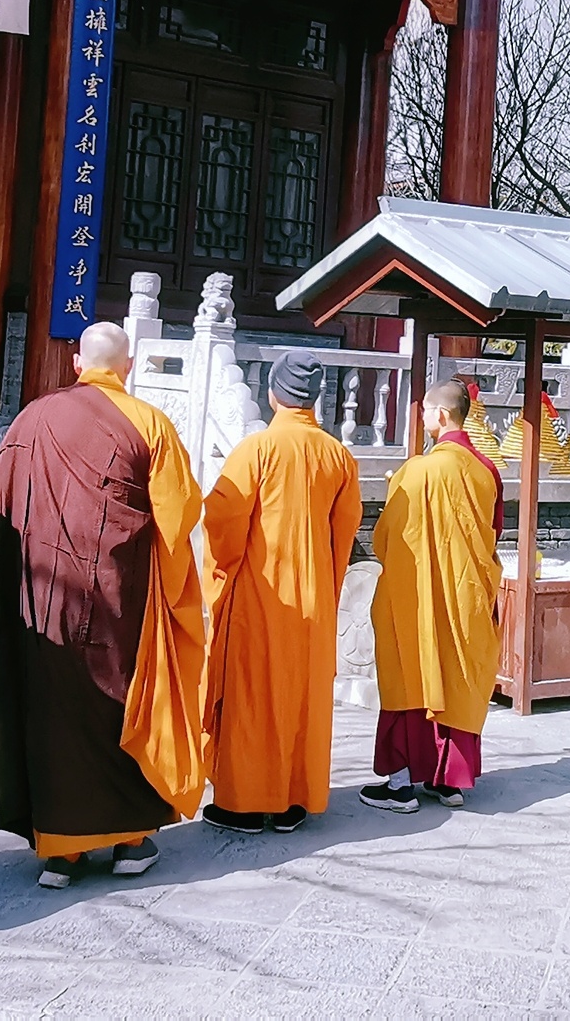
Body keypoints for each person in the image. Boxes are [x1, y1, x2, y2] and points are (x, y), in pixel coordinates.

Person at [0, 322, 207, 888]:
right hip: (118, 595)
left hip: (43, 595)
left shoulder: (32, 417)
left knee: (54, 703)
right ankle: (131, 840)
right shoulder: (148, 422)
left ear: (77, 363)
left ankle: (61, 851)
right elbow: (180, 514)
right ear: (127, 367)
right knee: (118, 697)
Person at [199, 349, 364, 834]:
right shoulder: (338, 455)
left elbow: (223, 520)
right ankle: (294, 800)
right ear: (314, 398)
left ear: (274, 395)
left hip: (261, 593)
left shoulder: (257, 450)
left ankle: (244, 804)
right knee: (300, 699)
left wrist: (221, 574)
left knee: (253, 696)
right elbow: (345, 530)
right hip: (313, 599)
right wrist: (327, 584)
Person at [359, 381, 502, 813]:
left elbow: (386, 540)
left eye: (424, 412)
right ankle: (448, 783)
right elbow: (492, 536)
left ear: (441, 416)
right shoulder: (485, 469)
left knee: (411, 675)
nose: (421, 419)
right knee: (456, 677)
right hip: (464, 597)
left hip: (418, 598)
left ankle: (401, 786)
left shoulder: (417, 471)